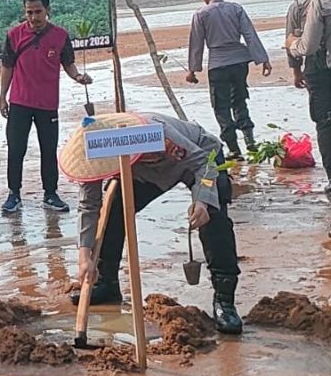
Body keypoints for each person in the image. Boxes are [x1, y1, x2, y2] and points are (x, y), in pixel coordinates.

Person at [62, 112, 243, 334]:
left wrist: (203, 201)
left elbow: (204, 166)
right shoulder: (92, 153)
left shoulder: (157, 134)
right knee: (112, 211)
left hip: (199, 160)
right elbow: (89, 207)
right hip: (146, 171)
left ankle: (224, 300)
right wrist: (84, 257)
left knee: (213, 218)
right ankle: (106, 283)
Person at [0, 0, 94, 214]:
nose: (33, 18)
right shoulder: (14, 35)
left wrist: (78, 77)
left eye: (38, 11)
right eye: (29, 12)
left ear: (48, 10)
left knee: (48, 150)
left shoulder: (60, 36)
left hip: (48, 104)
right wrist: (2, 96)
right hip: (20, 102)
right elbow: (7, 67)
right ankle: (14, 194)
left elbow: (69, 64)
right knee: (16, 150)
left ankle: (50, 194)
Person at [185, 0, 270, 159]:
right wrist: (263, 59)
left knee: (221, 107)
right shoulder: (236, 8)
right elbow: (249, 35)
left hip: (218, 65)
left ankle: (234, 149)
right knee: (239, 100)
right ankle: (250, 142)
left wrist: (193, 70)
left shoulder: (201, 14)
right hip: (240, 63)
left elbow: (196, 44)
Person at [286, 0, 331, 189]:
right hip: (318, 68)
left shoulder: (300, 4)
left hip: (317, 70)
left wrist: (296, 71)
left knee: (325, 123)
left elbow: (295, 42)